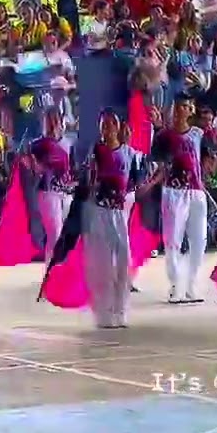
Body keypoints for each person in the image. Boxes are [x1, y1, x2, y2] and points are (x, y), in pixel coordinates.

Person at [146, 96, 208, 304]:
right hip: (174, 191)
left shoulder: (198, 134)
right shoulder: (164, 136)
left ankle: (190, 284)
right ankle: (176, 285)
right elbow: (158, 165)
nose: (187, 109)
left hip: (197, 191)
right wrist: (150, 185)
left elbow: (206, 159)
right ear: (174, 109)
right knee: (173, 239)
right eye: (182, 105)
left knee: (199, 240)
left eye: (190, 105)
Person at [85, 111, 135, 328]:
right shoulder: (96, 151)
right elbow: (88, 180)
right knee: (102, 264)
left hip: (119, 212)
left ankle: (120, 309)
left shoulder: (129, 152)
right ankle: (103, 312)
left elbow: (135, 178)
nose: (108, 128)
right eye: (103, 125)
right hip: (100, 211)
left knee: (123, 262)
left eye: (112, 123)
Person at [26, 109, 75, 264]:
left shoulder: (68, 143)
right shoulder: (38, 145)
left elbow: (72, 168)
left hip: (66, 193)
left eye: (55, 120)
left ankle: (61, 270)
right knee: (55, 233)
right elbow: (33, 169)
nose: (53, 124)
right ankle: (52, 272)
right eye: (49, 121)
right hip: (48, 192)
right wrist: (35, 165)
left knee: (65, 234)